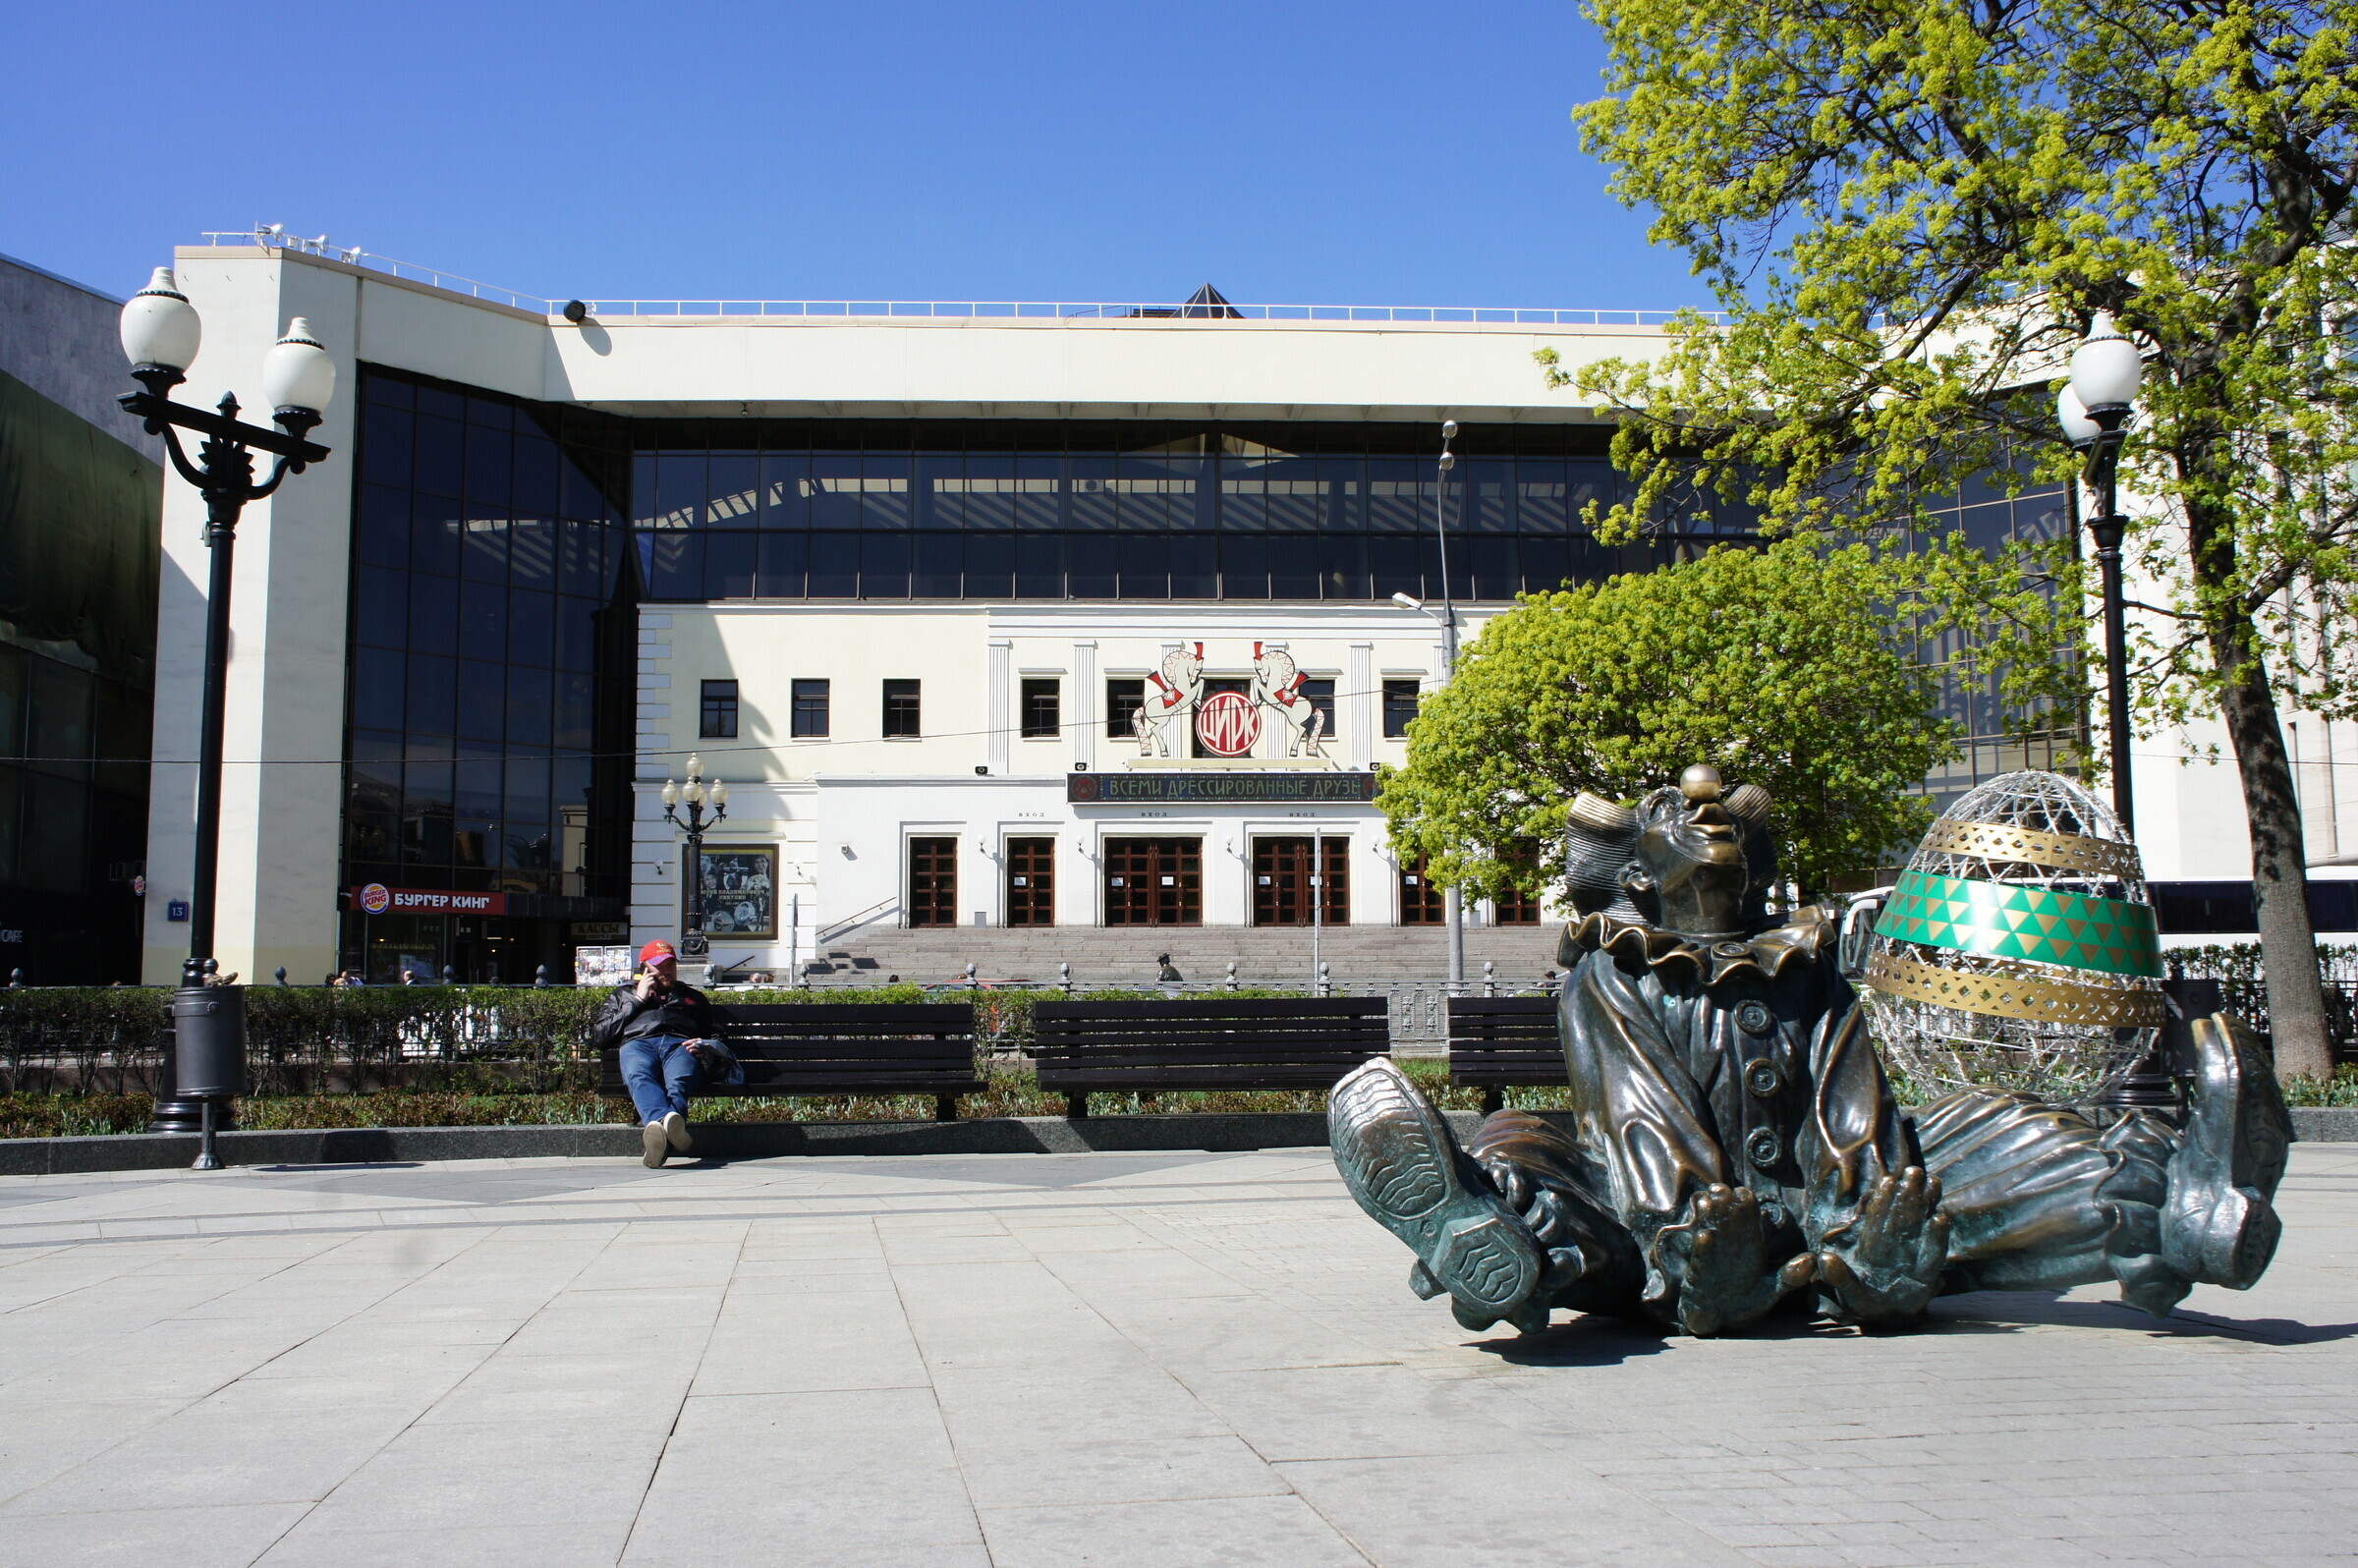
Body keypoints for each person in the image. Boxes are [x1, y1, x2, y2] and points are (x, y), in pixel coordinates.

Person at [1329, 763, 2288, 1337]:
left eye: (1725, 811)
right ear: (1635, 873)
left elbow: (1855, 1109)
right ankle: (1486, 1240)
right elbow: (1638, 1126)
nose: (1705, 797)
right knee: (1524, 1149)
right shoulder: (1613, 973)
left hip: (1830, 1238)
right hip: (1663, 1235)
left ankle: (2177, 1210)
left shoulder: (1809, 964)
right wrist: (1698, 1236)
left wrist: (1871, 1219)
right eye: (1675, 802)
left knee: (1995, 1132)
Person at [590, 939, 741, 1167]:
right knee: (639, 1075)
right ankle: (666, 1124)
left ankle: (657, 1134)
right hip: (638, 1043)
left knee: (678, 1083)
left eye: (671, 964)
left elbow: (719, 1036)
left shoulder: (692, 997)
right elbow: (600, 1037)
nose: (667, 970)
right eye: (660, 965)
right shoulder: (623, 995)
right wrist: (638, 1000)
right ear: (645, 969)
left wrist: (704, 1044)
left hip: (680, 1045)